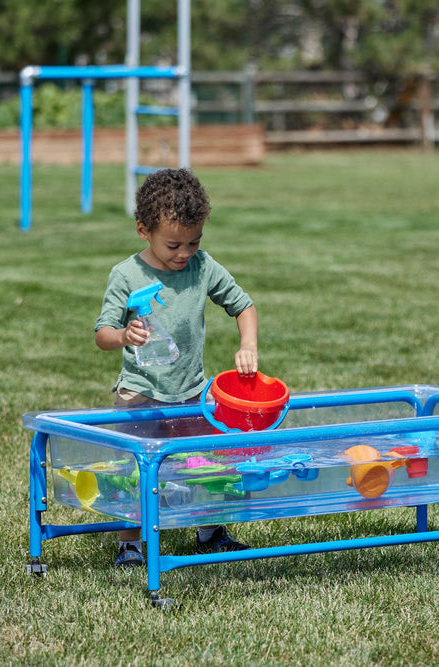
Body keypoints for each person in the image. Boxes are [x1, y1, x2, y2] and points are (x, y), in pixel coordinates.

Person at [94, 168, 258, 568]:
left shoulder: (202, 267)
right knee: (133, 472)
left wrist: (248, 345)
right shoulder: (127, 274)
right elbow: (102, 333)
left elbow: (244, 305)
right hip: (140, 392)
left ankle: (210, 531)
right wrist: (124, 335)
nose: (184, 253)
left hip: (191, 391)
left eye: (194, 241)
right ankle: (130, 543)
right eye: (173, 244)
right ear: (142, 231)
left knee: (204, 462)